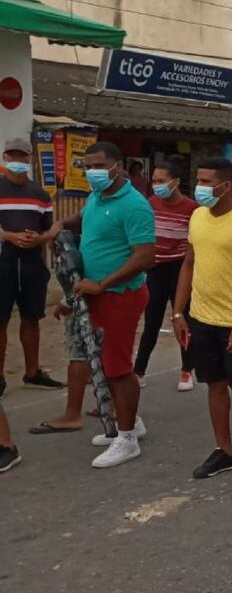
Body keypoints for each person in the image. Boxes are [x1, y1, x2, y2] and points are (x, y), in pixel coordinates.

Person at [43, 141, 155, 468]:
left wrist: (103, 283)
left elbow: (146, 256)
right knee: (106, 365)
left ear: (118, 166)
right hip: (95, 294)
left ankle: (127, 439)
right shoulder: (98, 196)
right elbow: (85, 217)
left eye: (98, 166)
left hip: (120, 295)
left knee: (119, 368)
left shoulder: (134, 205)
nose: (91, 172)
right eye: (86, 166)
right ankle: (130, 423)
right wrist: (62, 225)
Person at [173, 157, 232, 488]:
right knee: (214, 385)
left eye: (205, 181)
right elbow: (188, 264)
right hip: (200, 319)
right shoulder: (197, 217)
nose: (199, 188)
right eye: (197, 181)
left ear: (225, 186)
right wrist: (178, 313)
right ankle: (224, 450)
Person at [0, 137, 64, 395]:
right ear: (5, 158)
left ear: (29, 159)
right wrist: (8, 235)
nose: (16, 161)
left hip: (32, 264)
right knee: (0, 320)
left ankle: (33, 371)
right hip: (3, 261)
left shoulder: (40, 195)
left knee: (32, 318)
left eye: (21, 156)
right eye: (11, 156)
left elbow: (50, 228)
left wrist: (41, 238)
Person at [134, 158, 199, 391]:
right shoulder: (150, 203)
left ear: (176, 182)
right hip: (155, 270)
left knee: (182, 318)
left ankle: (186, 371)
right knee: (151, 322)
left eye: (162, 181)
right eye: (154, 181)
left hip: (179, 270)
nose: (156, 185)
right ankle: (139, 371)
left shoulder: (193, 209)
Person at [26, 299, 92, 434]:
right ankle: (112, 406)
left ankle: (72, 416)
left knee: (78, 354)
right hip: (116, 293)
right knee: (106, 347)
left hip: (89, 298)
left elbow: (82, 279)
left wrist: (68, 301)